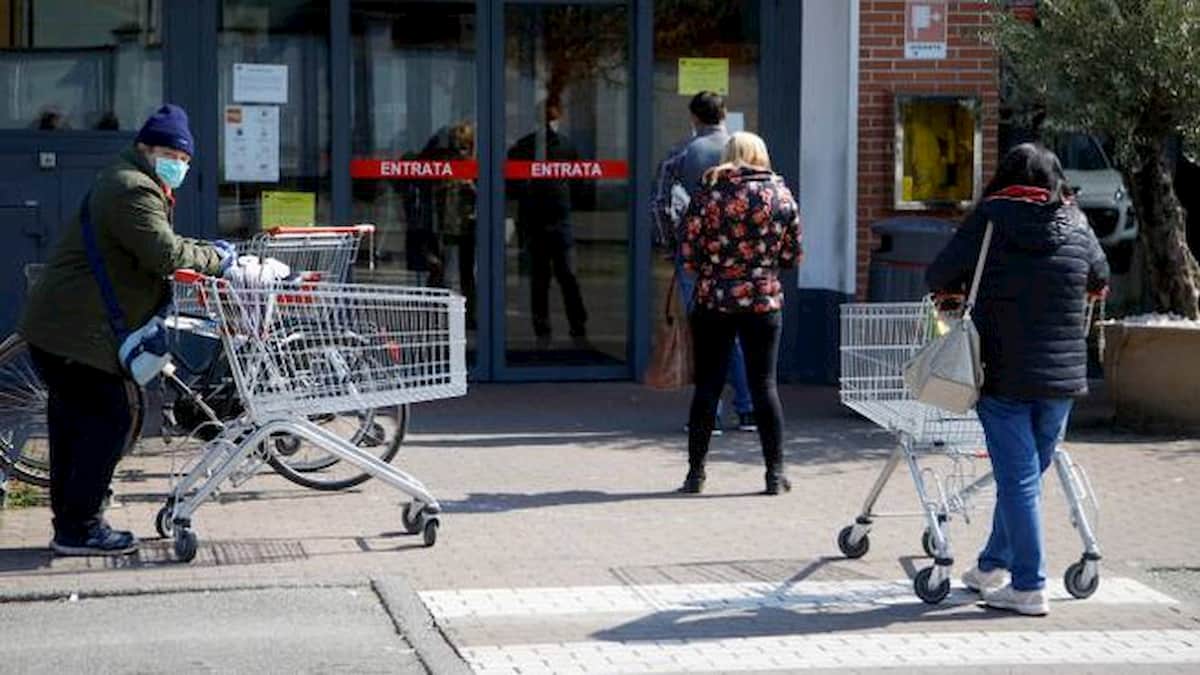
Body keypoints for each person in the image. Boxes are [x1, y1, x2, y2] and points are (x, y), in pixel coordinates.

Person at [19, 104, 233, 556]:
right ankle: (81, 528)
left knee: (73, 425)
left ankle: (73, 523)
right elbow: (162, 253)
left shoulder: (129, 179)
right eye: (174, 155)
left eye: (187, 159)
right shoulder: (132, 188)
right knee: (109, 418)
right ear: (147, 148)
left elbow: (157, 247)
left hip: (63, 327)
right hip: (76, 332)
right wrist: (218, 260)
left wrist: (202, 251)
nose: (181, 165)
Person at [926, 143, 1109, 616]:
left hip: (1002, 372)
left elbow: (939, 274)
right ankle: (992, 566)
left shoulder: (990, 218)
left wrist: (956, 295)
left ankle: (1028, 585)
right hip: (1063, 378)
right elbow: (1100, 278)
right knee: (1024, 478)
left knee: (1019, 480)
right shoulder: (1076, 222)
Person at [676, 132, 802, 495]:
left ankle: (696, 474)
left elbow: (688, 253)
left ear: (728, 156)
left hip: (714, 298)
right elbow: (792, 256)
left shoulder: (707, 194)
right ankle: (774, 474)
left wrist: (715, 268)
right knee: (764, 386)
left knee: (708, 386)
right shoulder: (780, 195)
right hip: (763, 300)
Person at [659, 91, 756, 434]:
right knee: (736, 334)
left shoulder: (682, 154)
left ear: (694, 118)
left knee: (707, 336)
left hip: (695, 258)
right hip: (739, 260)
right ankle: (747, 409)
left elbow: (662, 203)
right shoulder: (745, 153)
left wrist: (674, 246)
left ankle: (709, 413)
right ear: (725, 114)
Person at [507, 95, 589, 346]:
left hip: (540, 220)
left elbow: (511, 185)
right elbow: (580, 186)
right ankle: (574, 330)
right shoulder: (560, 145)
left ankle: (548, 332)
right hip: (549, 220)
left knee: (545, 280)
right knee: (562, 278)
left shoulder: (528, 146)